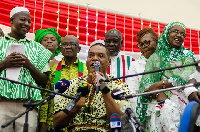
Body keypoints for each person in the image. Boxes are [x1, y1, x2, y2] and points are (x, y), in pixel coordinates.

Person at [53, 40, 130, 132]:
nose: (95, 59)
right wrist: (75, 108)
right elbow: (55, 122)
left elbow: (122, 121)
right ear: (86, 61)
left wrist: (104, 88)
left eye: (100, 56)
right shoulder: (73, 84)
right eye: (91, 55)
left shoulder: (118, 85)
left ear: (109, 62)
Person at [0, 6, 52, 132]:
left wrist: (29, 65)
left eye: (29, 21)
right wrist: (4, 64)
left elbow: (44, 82)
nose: (27, 24)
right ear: (12, 20)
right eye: (23, 20)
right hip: (1, 104)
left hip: (28, 106)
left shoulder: (38, 48)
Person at [136, 22, 195, 131]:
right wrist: (158, 92)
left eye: (182, 34)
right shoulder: (155, 57)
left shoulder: (187, 55)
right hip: (157, 103)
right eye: (175, 31)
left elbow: (186, 75)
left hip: (182, 101)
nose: (179, 35)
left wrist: (161, 84)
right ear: (167, 33)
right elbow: (147, 83)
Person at [39, 35, 88, 131]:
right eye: (65, 44)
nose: (68, 47)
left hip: (79, 122)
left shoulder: (87, 70)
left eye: (72, 44)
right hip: (55, 121)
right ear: (61, 49)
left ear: (79, 49)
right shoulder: (52, 70)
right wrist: (42, 122)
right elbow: (46, 96)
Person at [126, 27, 158, 109]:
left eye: (147, 42)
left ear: (156, 42)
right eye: (141, 44)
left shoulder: (165, 61)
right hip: (143, 111)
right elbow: (131, 94)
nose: (144, 46)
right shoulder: (135, 65)